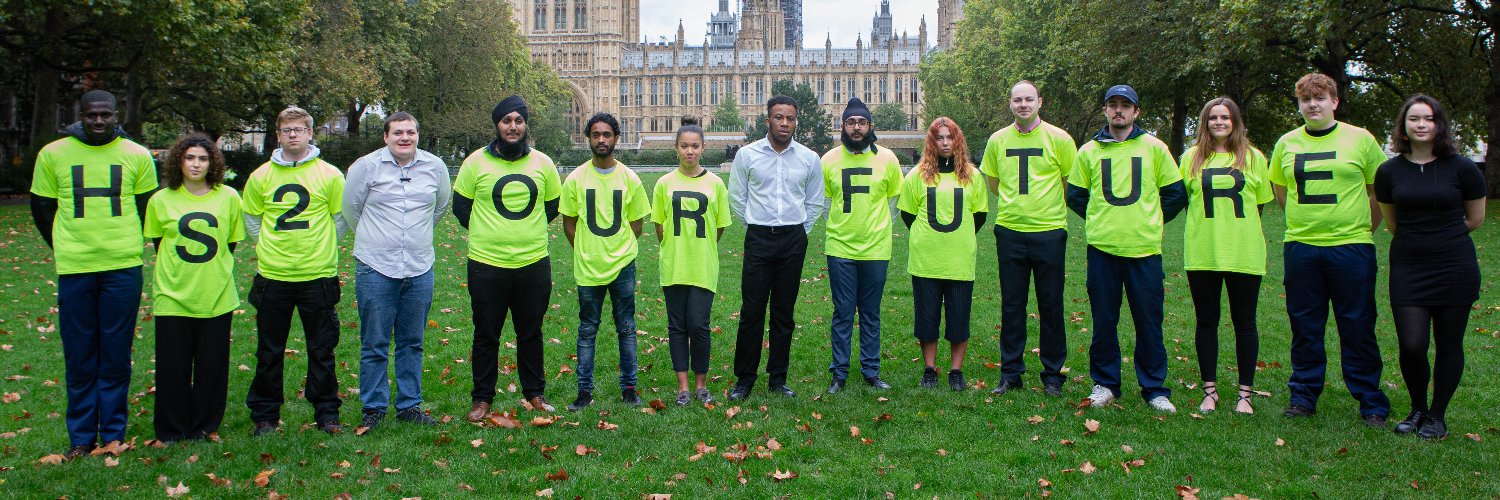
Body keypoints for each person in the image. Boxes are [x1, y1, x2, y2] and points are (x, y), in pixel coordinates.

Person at [29, 90, 157, 458]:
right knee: (80, 353)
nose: (98, 121)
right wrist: (64, 244)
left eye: (105, 115)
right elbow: (42, 207)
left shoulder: (136, 155)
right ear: (79, 116)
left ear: (118, 115)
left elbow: (147, 206)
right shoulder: (53, 153)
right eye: (90, 115)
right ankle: (81, 436)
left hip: (122, 266)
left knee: (116, 352)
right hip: (76, 267)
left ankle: (114, 432)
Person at [1269, 73, 1391, 426]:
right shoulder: (1287, 143)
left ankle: (1370, 400)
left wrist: (1361, 227)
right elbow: (1281, 190)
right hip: (1302, 247)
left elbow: (1378, 190)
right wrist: (1304, 222)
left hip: (1351, 248)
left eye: (1320, 98)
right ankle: (1304, 395)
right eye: (1306, 99)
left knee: (1357, 324)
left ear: (1334, 101)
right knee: (1305, 325)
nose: (1313, 104)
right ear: (1299, 105)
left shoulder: (1360, 139)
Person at [1065, 85, 1187, 413]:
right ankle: (1105, 383)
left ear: (1136, 111)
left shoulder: (1155, 148)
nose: (1118, 111)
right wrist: (1101, 219)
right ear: (1105, 110)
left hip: (1144, 250)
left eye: (1125, 106)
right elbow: (1075, 196)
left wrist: (1150, 220)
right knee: (1104, 321)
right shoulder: (1089, 151)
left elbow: (1176, 194)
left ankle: (1154, 388)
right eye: (1112, 105)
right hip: (1103, 249)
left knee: (1149, 321)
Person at [1375, 95, 1486, 439]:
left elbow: (1476, 217)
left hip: (1454, 265)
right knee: (1412, 344)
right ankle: (1417, 408)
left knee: (1449, 342)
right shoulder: (1389, 171)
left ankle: (1437, 415)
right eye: (1414, 119)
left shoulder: (1463, 168)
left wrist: (1441, 236)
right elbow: (1392, 223)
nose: (1421, 124)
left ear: (1439, 124)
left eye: (1428, 118)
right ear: (1404, 126)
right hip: (1409, 266)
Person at [453, 95, 562, 418]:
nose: (512, 127)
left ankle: (535, 394)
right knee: (486, 333)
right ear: (497, 125)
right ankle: (482, 398)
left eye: (518, 121)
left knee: (531, 332)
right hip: (487, 264)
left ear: (525, 125)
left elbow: (552, 206)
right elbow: (462, 207)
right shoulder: (475, 162)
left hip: (532, 262)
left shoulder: (543, 163)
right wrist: (491, 233)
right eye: (506, 121)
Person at [243, 106, 348, 435]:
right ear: (278, 135)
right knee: (269, 349)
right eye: (286, 129)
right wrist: (267, 247)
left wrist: (322, 244)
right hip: (274, 275)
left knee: (322, 348)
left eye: (298, 129)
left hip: (317, 274)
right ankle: (265, 414)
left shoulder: (329, 174)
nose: (292, 134)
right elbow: (251, 218)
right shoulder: (261, 176)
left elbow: (341, 217)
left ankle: (326, 412)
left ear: (309, 133)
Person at [343, 112, 450, 431]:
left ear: (418, 135)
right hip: (376, 267)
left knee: (412, 341)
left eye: (411, 132)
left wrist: (414, 236)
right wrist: (379, 239)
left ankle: (409, 405)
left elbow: (441, 207)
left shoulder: (435, 167)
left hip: (419, 267)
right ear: (385, 136)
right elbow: (351, 209)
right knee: (374, 341)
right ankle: (374, 407)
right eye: (398, 132)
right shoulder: (366, 167)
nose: (405, 137)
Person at [978, 80, 1077, 397]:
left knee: (1051, 306)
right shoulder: (997, 141)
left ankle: (1052, 376)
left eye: (1029, 99)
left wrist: (1043, 208)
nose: (1023, 104)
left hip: (1049, 231)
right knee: (1012, 306)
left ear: (1040, 102)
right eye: (1017, 100)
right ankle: (1011, 374)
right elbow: (993, 183)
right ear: (1010, 104)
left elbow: (1069, 183)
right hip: (1010, 231)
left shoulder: (1059, 139)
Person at [144, 134, 243, 443]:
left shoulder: (228, 197)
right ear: (179, 161)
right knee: (173, 367)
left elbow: (231, 242)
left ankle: (203, 425)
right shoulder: (161, 200)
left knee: (211, 367)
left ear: (213, 162)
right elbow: (160, 244)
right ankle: (172, 429)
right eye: (190, 158)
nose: (196, 164)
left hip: (215, 293)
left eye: (203, 158)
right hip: (173, 295)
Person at [727, 95, 827, 400]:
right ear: (767, 119)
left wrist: (799, 230)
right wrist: (757, 225)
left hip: (793, 240)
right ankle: (745, 379)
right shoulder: (747, 155)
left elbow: (814, 201)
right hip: (758, 238)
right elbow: (737, 198)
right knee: (752, 311)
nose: (785, 123)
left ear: (796, 121)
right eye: (779, 117)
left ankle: (778, 378)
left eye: (790, 118)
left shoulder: (809, 158)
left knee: (784, 313)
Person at [1179, 98, 1272, 415]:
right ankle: (1210, 391)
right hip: (1204, 252)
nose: (1219, 122)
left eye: (1226, 117)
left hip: (1244, 253)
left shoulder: (1253, 157)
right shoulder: (1191, 158)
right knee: (1206, 322)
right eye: (1213, 118)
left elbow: (1259, 205)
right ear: (1204, 123)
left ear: (1235, 121)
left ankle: (1245, 394)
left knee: (1245, 323)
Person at [560, 112, 650, 411]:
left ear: (616, 138)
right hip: (588, 265)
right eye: (596, 134)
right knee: (587, 330)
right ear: (589, 138)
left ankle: (629, 388)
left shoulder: (630, 178)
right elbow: (569, 223)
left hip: (623, 265)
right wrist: (587, 249)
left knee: (626, 327)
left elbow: (637, 224)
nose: (601, 139)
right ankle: (584, 392)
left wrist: (618, 248)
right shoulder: (575, 178)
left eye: (606, 134)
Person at [898, 117, 989, 391]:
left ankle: (956, 371)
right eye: (940, 138)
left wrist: (958, 239)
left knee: (959, 318)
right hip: (926, 260)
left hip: (959, 259)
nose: (946, 142)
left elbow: (980, 216)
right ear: (932, 142)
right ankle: (929, 368)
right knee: (927, 318)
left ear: (957, 140)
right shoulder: (917, 176)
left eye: (950, 137)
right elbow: (908, 214)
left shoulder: (972, 176)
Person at [821, 97, 902, 394]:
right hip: (840, 247)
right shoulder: (829, 159)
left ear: (870, 126)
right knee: (842, 311)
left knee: (870, 311)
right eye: (851, 122)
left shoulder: (888, 159)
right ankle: (838, 373)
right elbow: (825, 201)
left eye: (862, 122)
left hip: (876, 248)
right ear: (843, 126)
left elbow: (895, 199)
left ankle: (871, 370)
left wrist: (878, 225)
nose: (857, 128)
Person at [654, 117, 732, 406]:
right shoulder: (664, 184)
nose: (690, 151)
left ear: (703, 148)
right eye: (684, 146)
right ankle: (683, 387)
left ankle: (701, 384)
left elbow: (720, 226)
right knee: (677, 326)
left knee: (699, 325)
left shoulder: (716, 184)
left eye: (695, 146)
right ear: (676, 148)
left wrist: (701, 245)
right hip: (673, 264)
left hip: (702, 263)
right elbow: (659, 226)